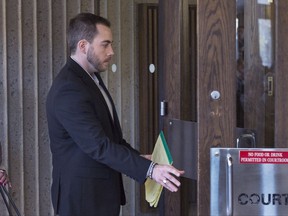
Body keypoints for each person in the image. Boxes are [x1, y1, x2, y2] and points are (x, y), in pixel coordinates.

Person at [46, 13, 184, 216]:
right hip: (82, 200)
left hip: (97, 196)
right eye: (105, 44)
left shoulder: (91, 79)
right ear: (83, 46)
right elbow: (98, 146)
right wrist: (150, 170)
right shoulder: (69, 88)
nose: (111, 51)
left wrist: (142, 159)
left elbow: (111, 139)